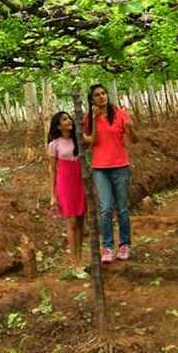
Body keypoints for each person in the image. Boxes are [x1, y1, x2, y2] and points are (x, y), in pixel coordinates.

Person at [82, 83, 138, 263]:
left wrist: (130, 128)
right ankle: (107, 246)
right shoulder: (89, 119)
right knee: (105, 209)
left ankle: (124, 244)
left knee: (121, 208)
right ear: (91, 99)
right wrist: (94, 119)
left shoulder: (121, 114)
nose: (101, 97)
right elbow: (89, 142)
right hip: (100, 168)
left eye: (103, 93)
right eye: (97, 95)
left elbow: (134, 140)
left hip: (120, 166)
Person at [47, 111, 87, 271]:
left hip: (80, 182)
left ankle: (80, 259)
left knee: (81, 221)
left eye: (69, 118)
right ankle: (74, 263)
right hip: (65, 184)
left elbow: (93, 140)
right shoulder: (54, 144)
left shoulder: (78, 139)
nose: (69, 120)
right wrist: (52, 194)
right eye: (64, 119)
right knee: (71, 222)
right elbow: (52, 170)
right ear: (58, 125)